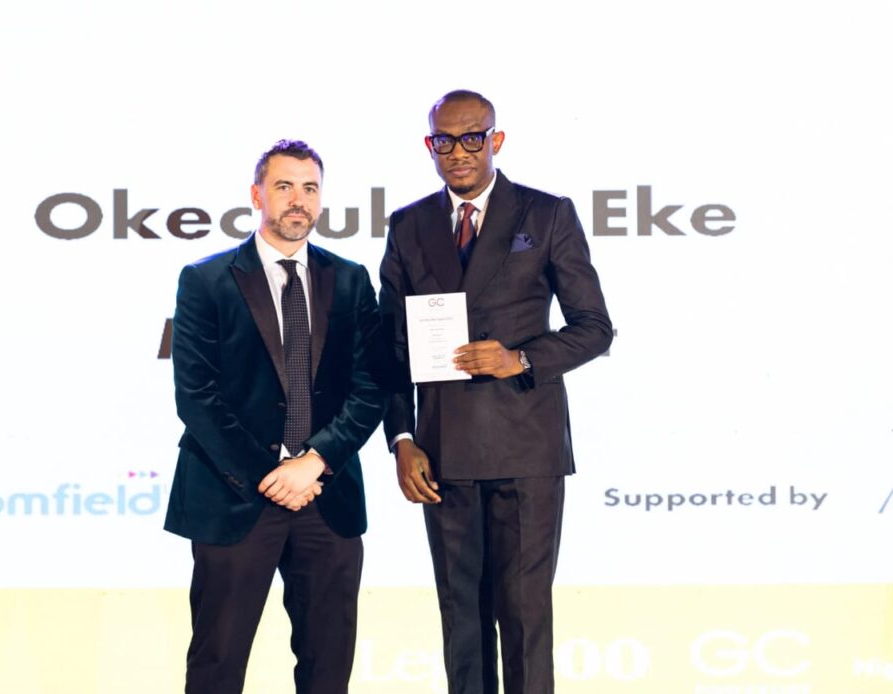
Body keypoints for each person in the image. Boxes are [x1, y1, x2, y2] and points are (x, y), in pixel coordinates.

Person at [378, 90, 613, 694]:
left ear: (495, 140)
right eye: (444, 140)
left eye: (471, 138)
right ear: (430, 146)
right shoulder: (408, 225)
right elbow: (390, 347)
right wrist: (401, 438)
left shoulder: (546, 214)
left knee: (525, 615)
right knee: (461, 618)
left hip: (525, 449)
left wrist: (520, 358)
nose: (458, 152)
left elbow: (594, 328)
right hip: (442, 452)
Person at [164, 139, 386, 694]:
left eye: (310, 188)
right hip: (234, 495)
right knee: (217, 665)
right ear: (257, 194)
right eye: (284, 186)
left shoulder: (351, 279)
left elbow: (371, 386)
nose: (298, 200)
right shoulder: (206, 279)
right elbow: (196, 395)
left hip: (326, 497)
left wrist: (315, 462)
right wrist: (273, 474)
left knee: (327, 668)